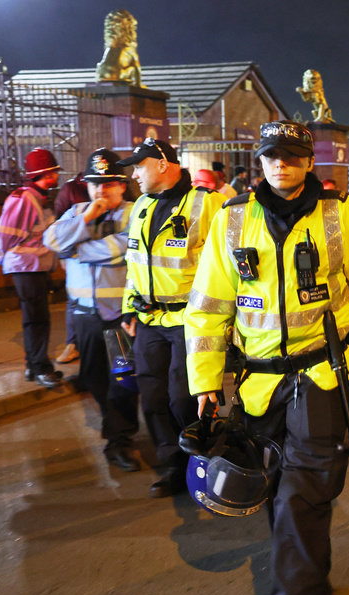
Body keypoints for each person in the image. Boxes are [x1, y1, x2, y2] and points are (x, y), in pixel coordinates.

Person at [185, 120, 349, 595]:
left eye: (290, 155)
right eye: (270, 156)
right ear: (258, 162)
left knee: (302, 497)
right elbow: (208, 307)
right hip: (257, 385)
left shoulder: (344, 216)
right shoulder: (231, 220)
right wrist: (205, 378)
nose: (279, 164)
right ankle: (304, 581)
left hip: (320, 378)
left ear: (309, 161)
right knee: (270, 491)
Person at [118, 138, 225, 498]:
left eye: (139, 167)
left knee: (184, 399)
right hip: (149, 320)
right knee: (153, 400)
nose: (134, 175)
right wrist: (129, 306)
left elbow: (227, 266)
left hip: (190, 321)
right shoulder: (141, 206)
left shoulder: (208, 204)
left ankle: (205, 461)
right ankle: (174, 467)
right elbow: (134, 263)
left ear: (162, 165)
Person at [43, 148, 140, 472]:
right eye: (96, 184)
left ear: (122, 185)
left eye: (109, 183)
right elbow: (51, 240)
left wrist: (75, 250)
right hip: (85, 316)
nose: (102, 190)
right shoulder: (76, 212)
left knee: (123, 381)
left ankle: (119, 440)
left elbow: (124, 247)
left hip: (120, 316)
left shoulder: (135, 212)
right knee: (94, 378)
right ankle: (115, 428)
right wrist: (84, 220)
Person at [0, 148, 63, 388]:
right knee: (36, 319)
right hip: (26, 267)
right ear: (46, 173)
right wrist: (1, 254)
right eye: (54, 171)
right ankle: (41, 368)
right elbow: (5, 235)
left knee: (37, 318)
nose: (57, 176)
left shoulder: (38, 197)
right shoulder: (24, 198)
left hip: (34, 267)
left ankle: (34, 366)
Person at [54, 171, 90, 365]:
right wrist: (62, 255)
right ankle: (73, 344)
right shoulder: (70, 189)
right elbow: (59, 225)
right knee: (74, 301)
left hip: (110, 262)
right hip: (77, 258)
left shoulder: (116, 184)